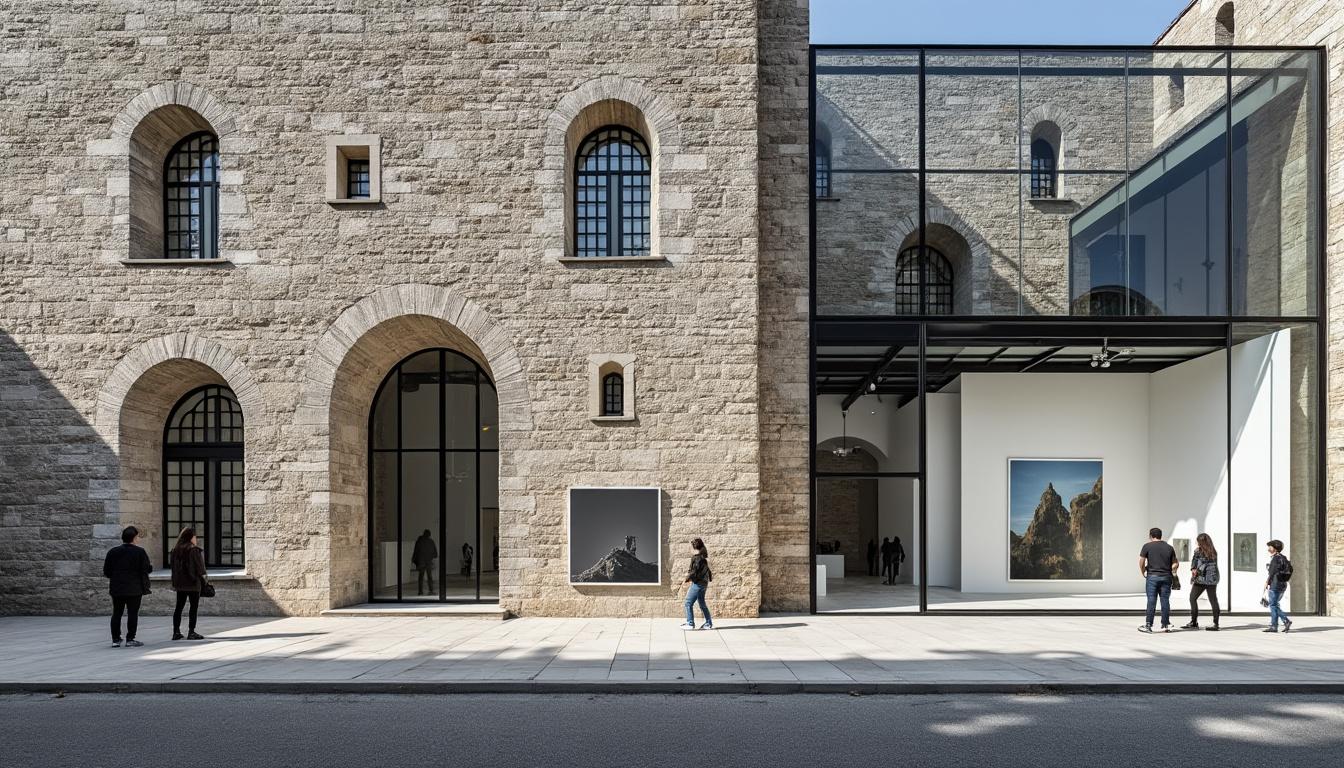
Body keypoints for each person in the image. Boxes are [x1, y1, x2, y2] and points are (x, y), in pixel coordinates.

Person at [103, 525, 152, 648]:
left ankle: (115, 639)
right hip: (134, 588)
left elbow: (107, 571)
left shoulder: (113, 552)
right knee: (132, 613)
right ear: (134, 538)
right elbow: (146, 569)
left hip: (117, 588)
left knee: (117, 613)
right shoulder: (140, 552)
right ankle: (130, 638)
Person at [169, 527, 208, 640]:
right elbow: (201, 569)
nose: (196, 539)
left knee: (179, 607)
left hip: (180, 583)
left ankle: (176, 632)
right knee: (193, 608)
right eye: (195, 536)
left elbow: (173, 568)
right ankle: (191, 632)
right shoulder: (194, 550)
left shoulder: (175, 550)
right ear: (191, 537)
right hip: (193, 583)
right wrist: (205, 581)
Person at [1138, 527, 1178, 633]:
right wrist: (1169, 570)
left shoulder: (1147, 546)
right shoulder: (1169, 547)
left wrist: (1143, 572)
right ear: (1161, 535)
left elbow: (1141, 562)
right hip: (1166, 577)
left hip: (1152, 577)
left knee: (1151, 600)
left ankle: (1148, 625)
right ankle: (1165, 624)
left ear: (1151, 536)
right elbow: (1176, 563)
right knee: (1165, 600)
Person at [1182, 532, 1221, 631]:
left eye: (1198, 541)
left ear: (1201, 542)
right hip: (1211, 579)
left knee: (1193, 598)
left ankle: (1194, 622)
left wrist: (1195, 570)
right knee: (1212, 600)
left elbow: (1196, 564)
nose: (1197, 543)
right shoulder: (1213, 551)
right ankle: (1215, 624)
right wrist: (1193, 568)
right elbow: (1194, 563)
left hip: (1203, 579)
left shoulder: (1200, 551)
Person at [679, 538, 714, 630]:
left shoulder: (696, 557)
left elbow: (694, 571)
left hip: (698, 584)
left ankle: (690, 623)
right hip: (704, 584)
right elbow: (708, 572)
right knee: (702, 604)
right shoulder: (704, 557)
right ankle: (708, 623)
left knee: (688, 603)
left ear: (694, 547)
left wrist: (686, 579)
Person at [1263, 539, 1293, 633]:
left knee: (1273, 605)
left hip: (1275, 584)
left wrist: (1266, 582)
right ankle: (1275, 625)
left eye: (1270, 547)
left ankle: (1283, 622)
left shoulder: (1275, 559)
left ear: (1275, 548)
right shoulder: (1283, 557)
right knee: (1275, 604)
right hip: (1282, 584)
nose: (1268, 549)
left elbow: (1271, 573)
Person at [412, 529, 437, 596]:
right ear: (429, 535)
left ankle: (420, 592)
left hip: (421, 562)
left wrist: (414, 560)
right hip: (428, 562)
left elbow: (415, 552)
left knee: (421, 577)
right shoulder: (431, 542)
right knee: (429, 577)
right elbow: (435, 554)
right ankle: (431, 590)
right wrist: (430, 557)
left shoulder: (419, 541)